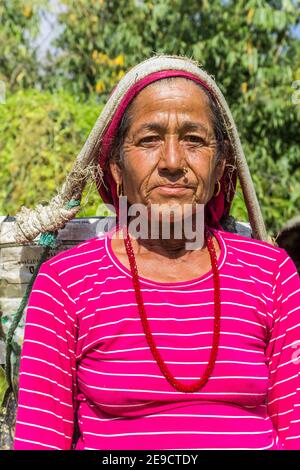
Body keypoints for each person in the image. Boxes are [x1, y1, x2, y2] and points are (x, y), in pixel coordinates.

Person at [14, 55, 300, 450]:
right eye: (149, 140)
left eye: (194, 140)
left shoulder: (271, 275)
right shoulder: (66, 284)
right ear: (115, 169)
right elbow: (40, 440)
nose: (171, 162)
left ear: (220, 168)